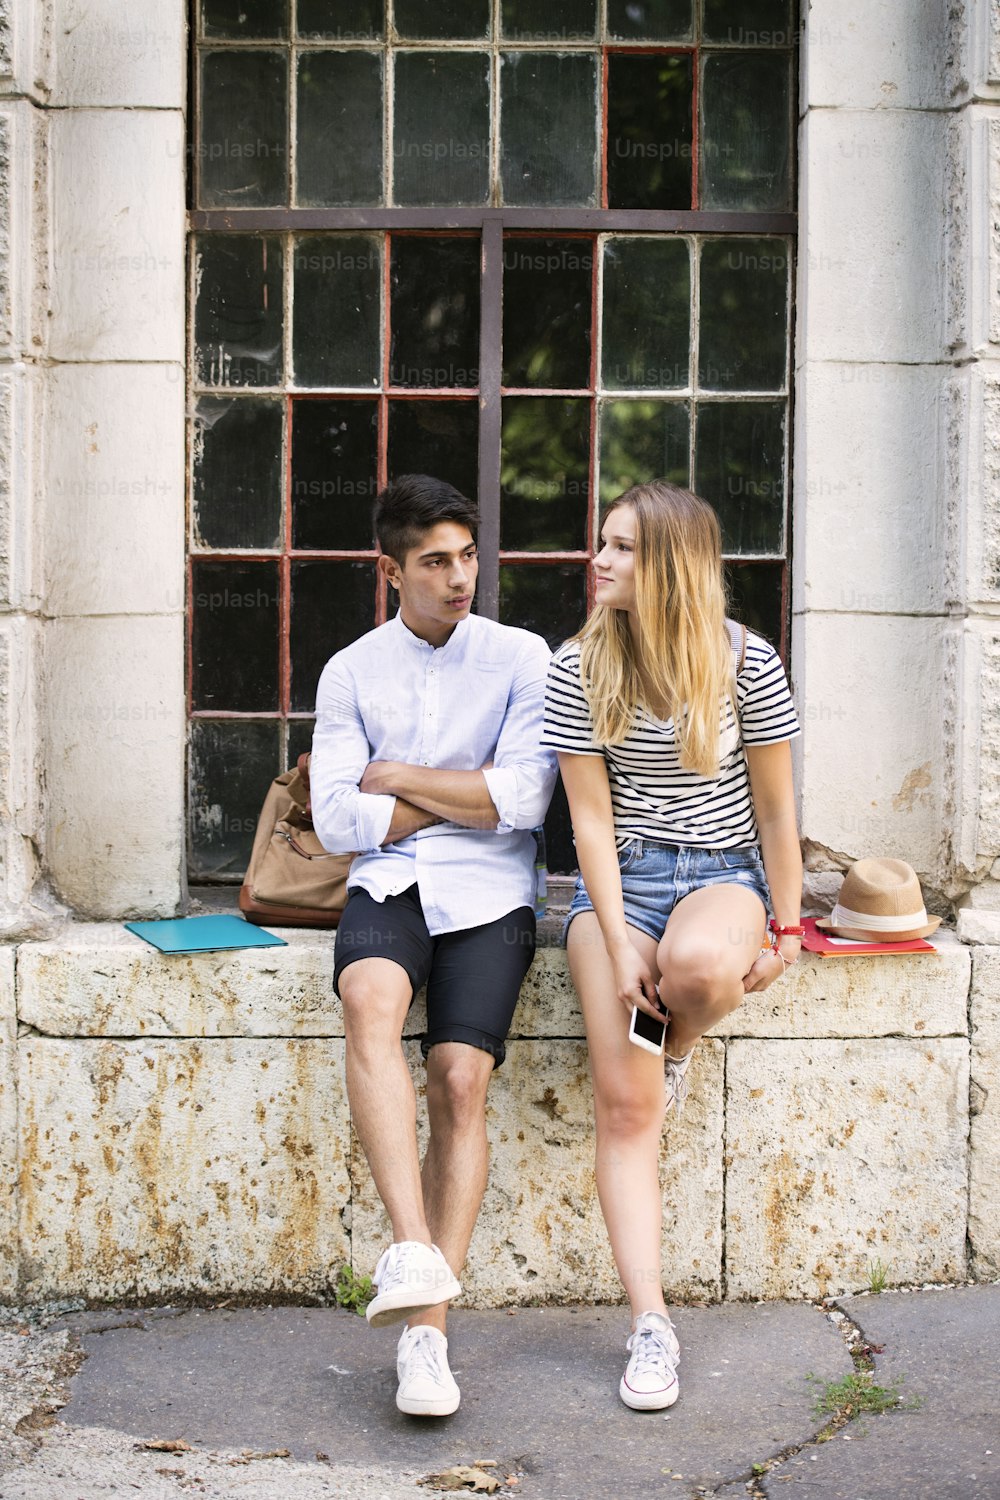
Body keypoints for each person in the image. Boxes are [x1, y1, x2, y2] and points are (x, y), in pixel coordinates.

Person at [541, 480, 802, 1412]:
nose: (599, 561)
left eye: (620, 547)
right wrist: (617, 946)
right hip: (621, 886)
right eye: (601, 543)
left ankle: (672, 1050)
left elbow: (774, 806)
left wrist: (787, 921)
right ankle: (652, 1325)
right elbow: (590, 822)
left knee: (694, 972)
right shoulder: (577, 665)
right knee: (624, 1109)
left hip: (723, 873)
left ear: (671, 563)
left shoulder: (744, 660)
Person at [311, 474, 557, 1419]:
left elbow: (528, 801)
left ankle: (427, 1338)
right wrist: (466, 791)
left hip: (491, 893)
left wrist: (401, 783)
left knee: (459, 1079)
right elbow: (337, 821)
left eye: (468, 556)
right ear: (390, 570)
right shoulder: (351, 671)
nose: (461, 578)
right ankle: (413, 1255)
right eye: (435, 562)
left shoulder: (520, 657)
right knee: (368, 1001)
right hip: (387, 884)